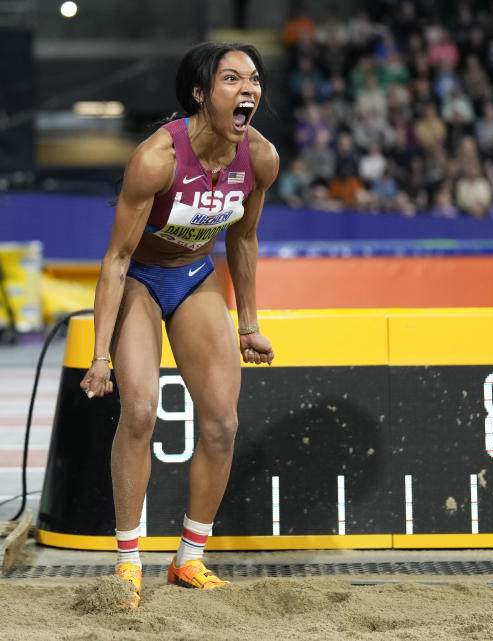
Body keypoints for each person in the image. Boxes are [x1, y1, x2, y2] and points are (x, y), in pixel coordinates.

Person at [79, 42, 278, 609]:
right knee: (140, 412)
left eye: (255, 80)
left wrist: (249, 324)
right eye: (232, 79)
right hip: (140, 278)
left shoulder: (259, 159)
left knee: (221, 422)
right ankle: (126, 565)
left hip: (194, 276)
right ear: (199, 92)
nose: (249, 90)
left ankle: (189, 559)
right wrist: (101, 355)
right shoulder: (156, 159)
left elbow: (243, 237)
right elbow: (116, 259)